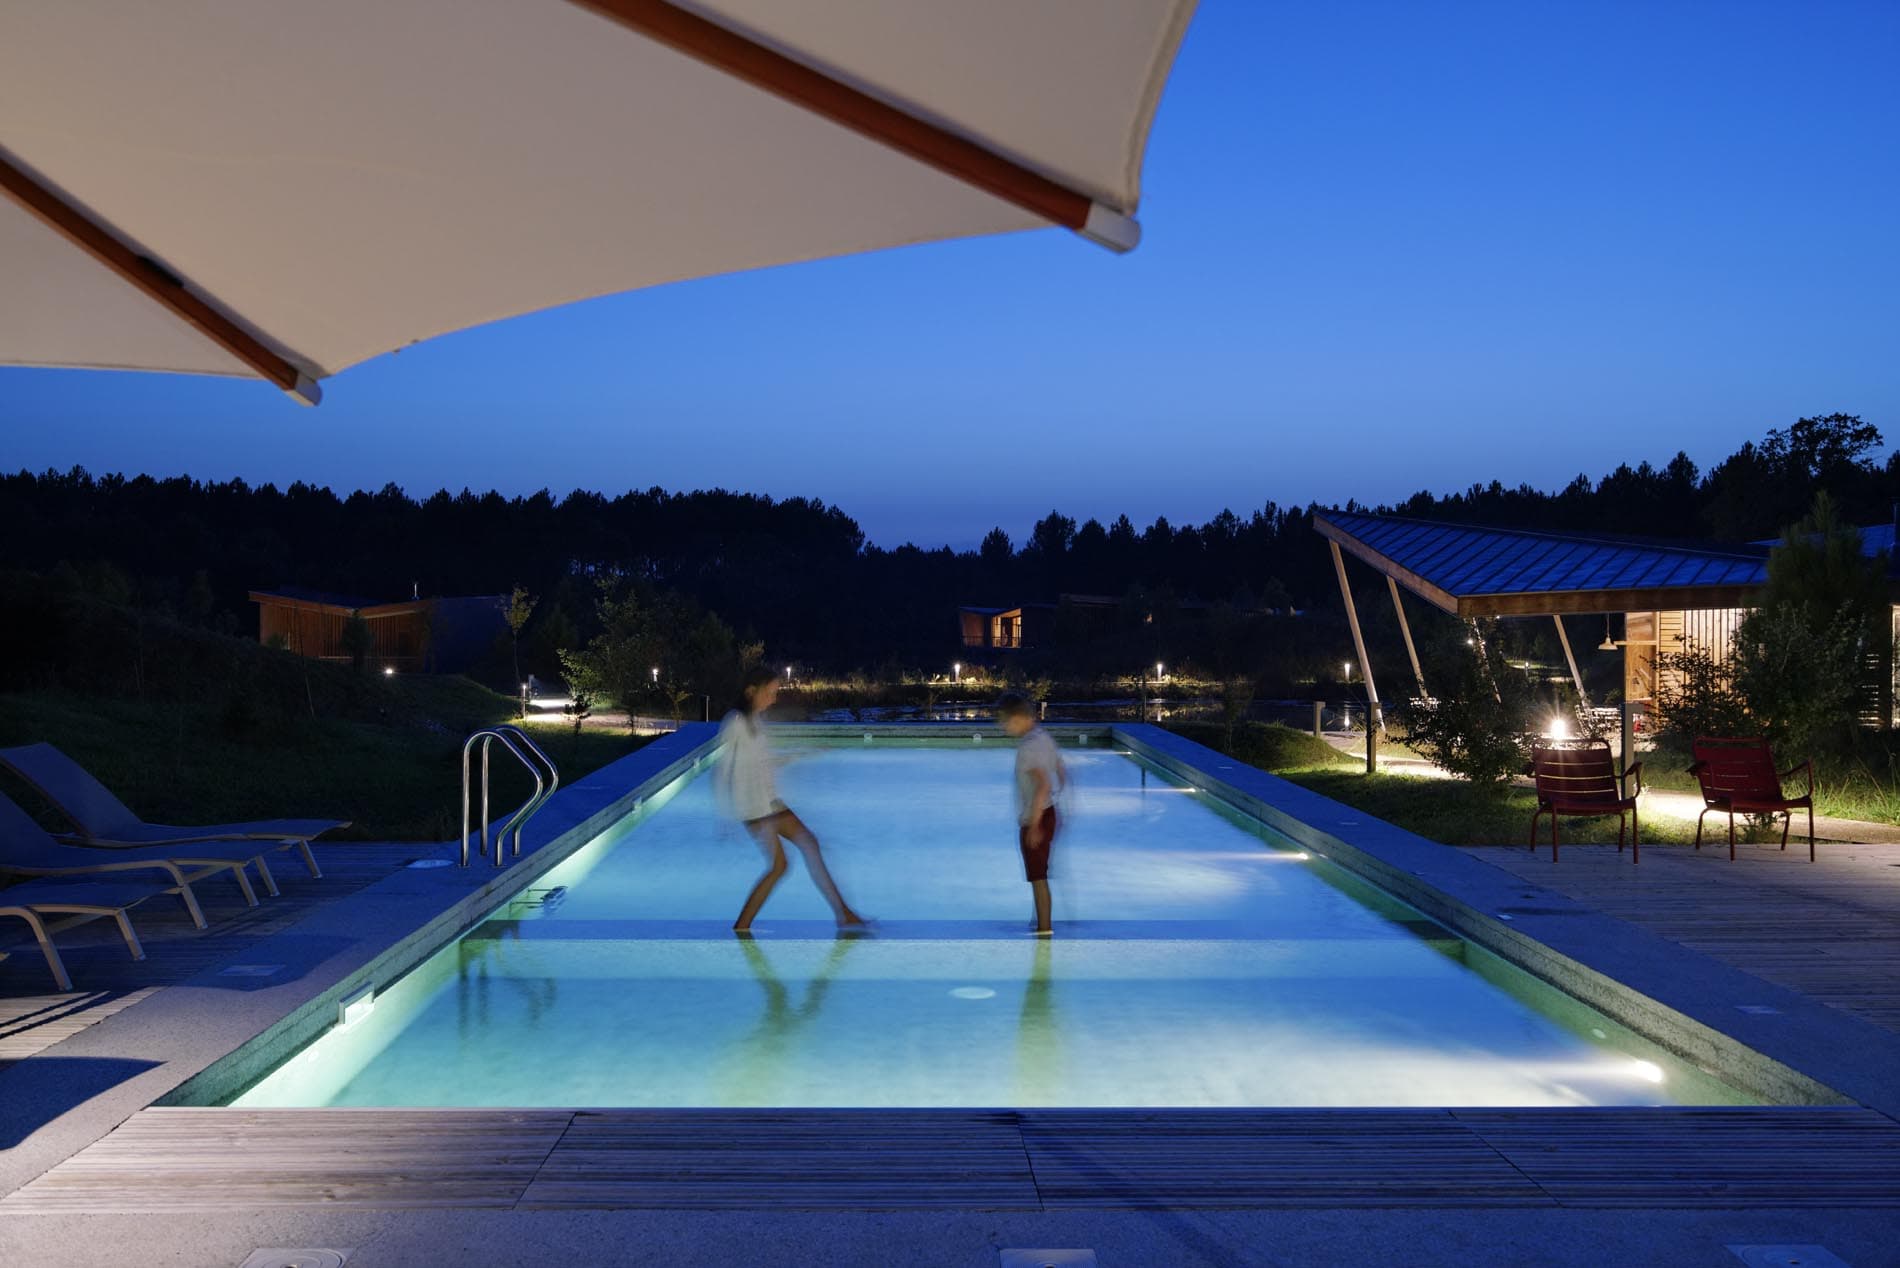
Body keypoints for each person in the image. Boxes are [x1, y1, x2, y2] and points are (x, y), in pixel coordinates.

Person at [718, 666, 868, 934]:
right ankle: (741, 926)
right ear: (752, 691)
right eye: (770, 692)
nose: (774, 698)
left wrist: (802, 753)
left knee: (810, 844)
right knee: (779, 866)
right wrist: (727, 817)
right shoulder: (736, 723)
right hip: (756, 810)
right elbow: (723, 771)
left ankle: (845, 914)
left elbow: (765, 763)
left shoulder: (756, 722)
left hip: (771, 803)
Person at [998, 691, 1064, 936]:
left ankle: (1044, 931)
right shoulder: (1043, 737)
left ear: (1018, 718)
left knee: (1038, 879)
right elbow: (1061, 769)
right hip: (1049, 812)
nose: (1004, 727)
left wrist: (1035, 825)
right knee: (1040, 876)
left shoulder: (1028, 748)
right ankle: (1040, 921)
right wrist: (1057, 805)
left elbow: (1044, 784)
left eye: (1006, 721)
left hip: (1036, 818)